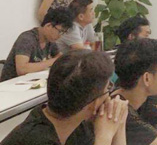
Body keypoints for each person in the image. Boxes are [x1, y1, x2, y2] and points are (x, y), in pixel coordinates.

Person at [0, 50, 129, 145]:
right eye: (108, 88)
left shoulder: (78, 126)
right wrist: (104, 137)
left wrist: (119, 122)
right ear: (93, 104)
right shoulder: (35, 138)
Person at [1, 8, 73, 81]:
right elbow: (22, 70)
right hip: (11, 84)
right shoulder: (27, 39)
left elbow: (60, 57)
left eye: (63, 33)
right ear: (48, 26)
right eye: (60, 31)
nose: (60, 36)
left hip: (32, 82)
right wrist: (53, 61)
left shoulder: (50, 41)